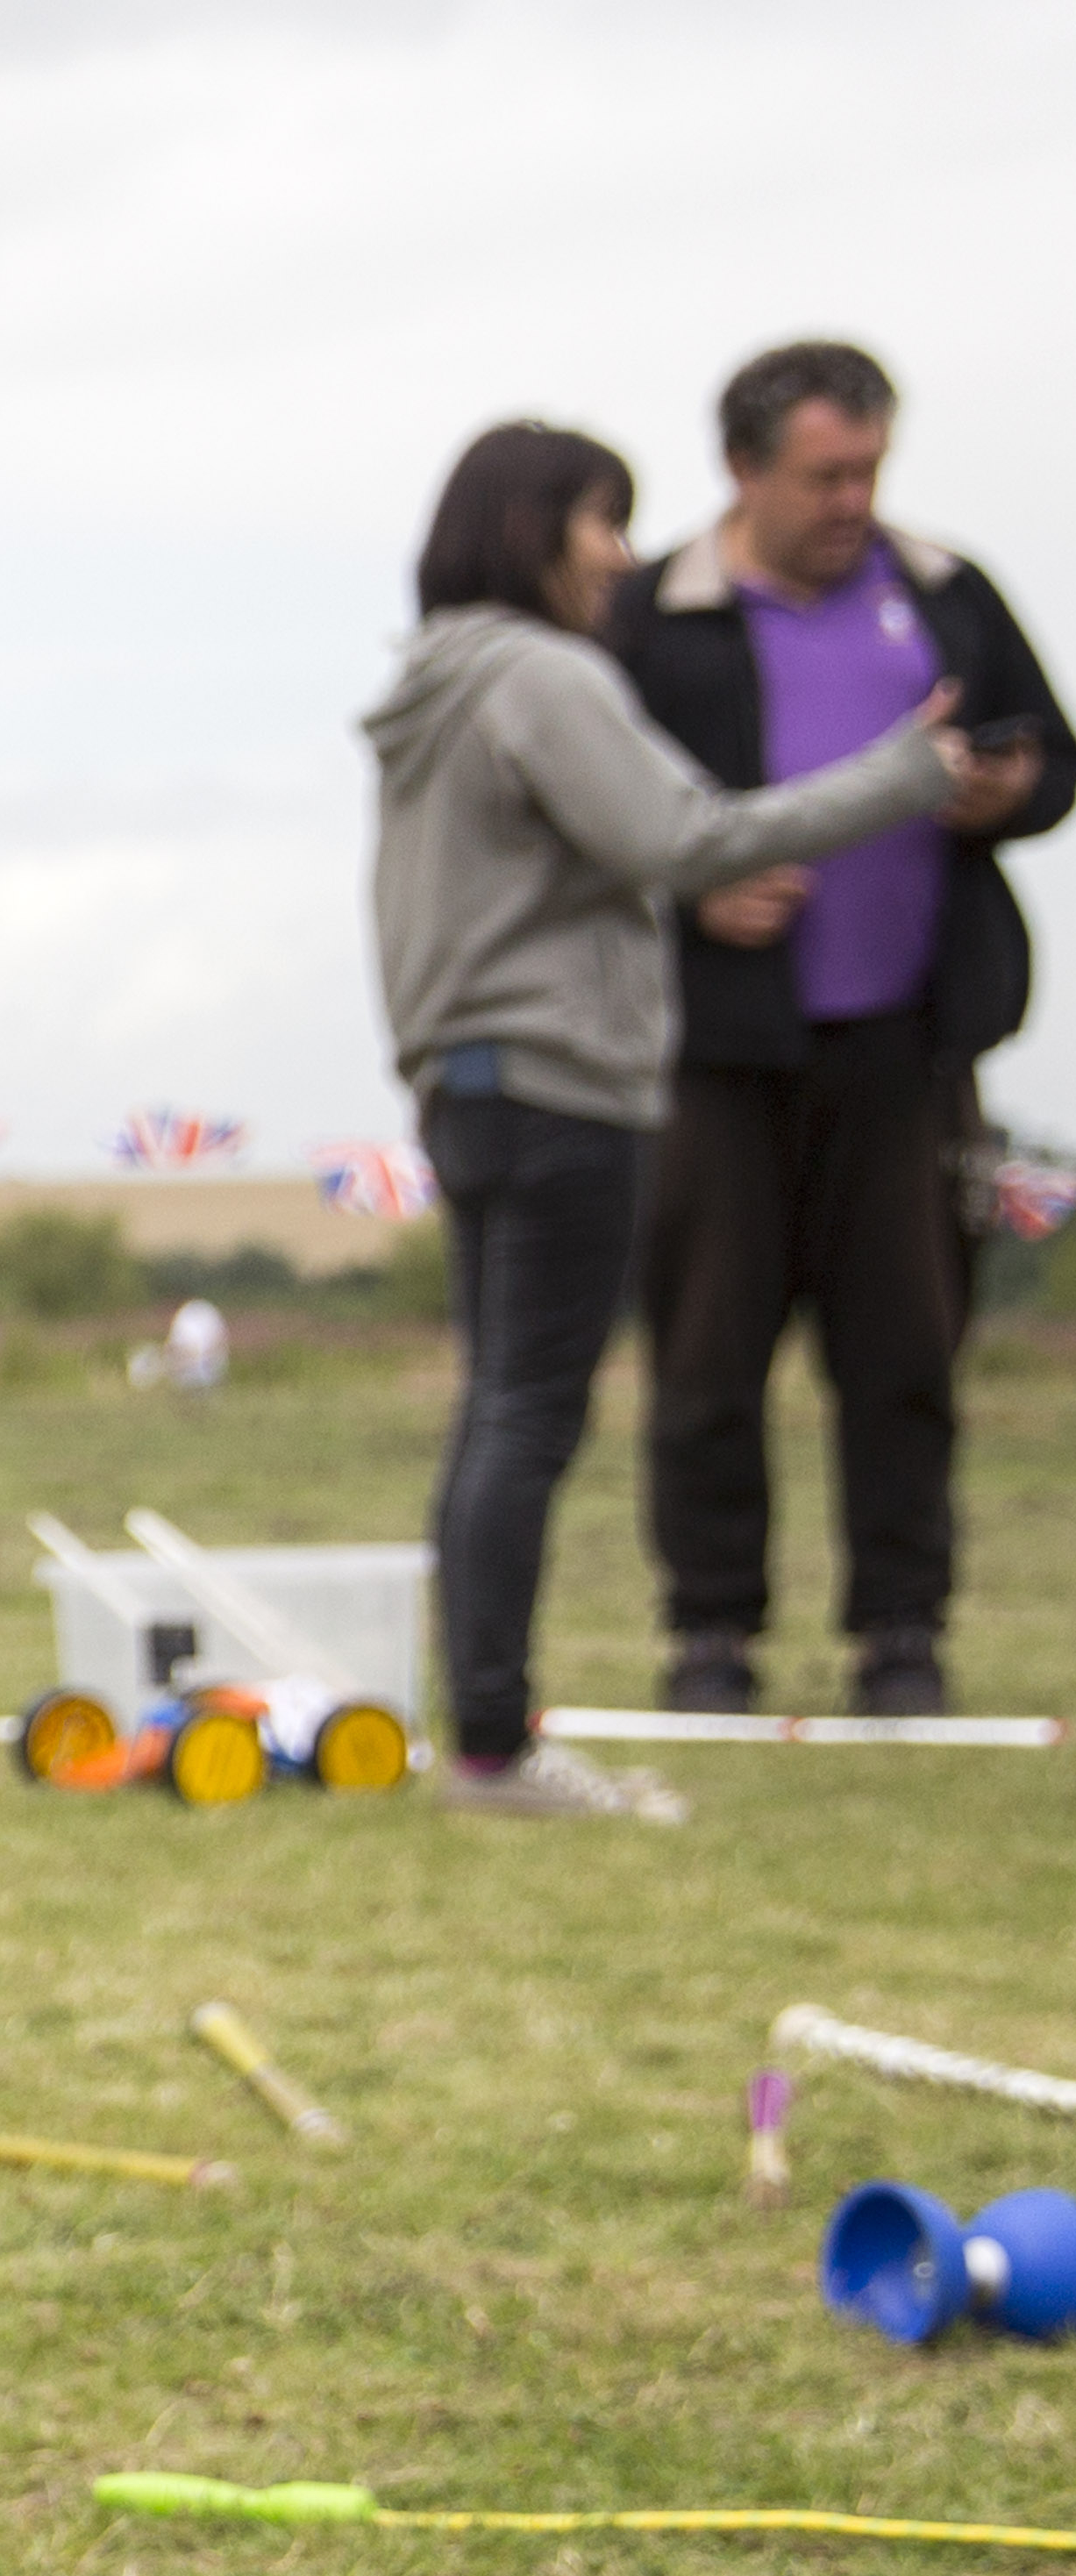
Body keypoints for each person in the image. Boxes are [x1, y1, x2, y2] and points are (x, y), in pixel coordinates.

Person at [360, 419, 964, 1822]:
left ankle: (485, 1733)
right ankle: (499, 1749)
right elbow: (684, 838)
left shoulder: (435, 685)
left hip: (469, 1081)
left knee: (495, 1412)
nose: (620, 556)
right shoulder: (543, 676)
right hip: (565, 1086)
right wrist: (904, 776)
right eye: (599, 523)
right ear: (532, 533)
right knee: (527, 1417)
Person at [606, 341, 1069, 1720]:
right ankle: (710, 1637)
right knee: (705, 1362)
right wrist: (690, 902)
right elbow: (583, 823)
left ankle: (903, 1638)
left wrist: (1012, 787)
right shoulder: (649, 620)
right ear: (745, 471)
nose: (854, 498)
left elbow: (1050, 753)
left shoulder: (947, 593)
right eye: (825, 475)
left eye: (870, 469)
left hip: (908, 1048)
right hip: (714, 1056)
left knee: (906, 1357)